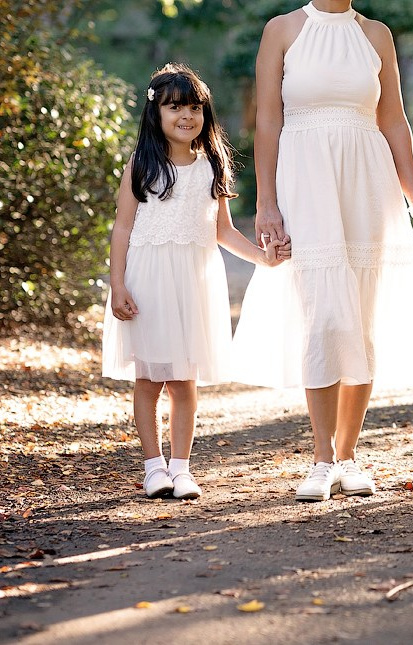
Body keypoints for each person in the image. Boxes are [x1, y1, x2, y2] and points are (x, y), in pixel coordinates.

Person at [231, 0, 413, 503]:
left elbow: (394, 123)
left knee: (361, 317)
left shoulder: (377, 36)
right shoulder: (282, 30)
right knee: (323, 315)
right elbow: (269, 123)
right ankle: (319, 458)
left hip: (367, 180)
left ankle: (349, 455)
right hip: (306, 179)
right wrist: (267, 204)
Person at [102, 63, 286, 500]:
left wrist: (263, 258)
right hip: (147, 279)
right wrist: (118, 284)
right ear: (156, 114)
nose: (187, 116)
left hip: (192, 279)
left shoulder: (211, 165)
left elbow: (221, 231)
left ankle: (181, 468)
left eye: (195, 108)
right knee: (149, 380)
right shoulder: (142, 164)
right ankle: (153, 467)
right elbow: (122, 228)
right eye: (175, 108)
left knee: (185, 380)